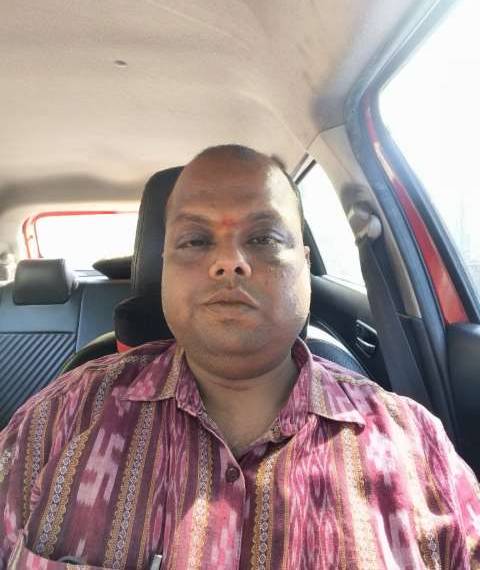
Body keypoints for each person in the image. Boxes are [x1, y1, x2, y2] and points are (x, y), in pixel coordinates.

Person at [0, 144, 479, 569]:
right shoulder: (58, 419)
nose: (228, 261)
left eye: (264, 238)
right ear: (165, 266)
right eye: (195, 240)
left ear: (305, 263)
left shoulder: (417, 448)